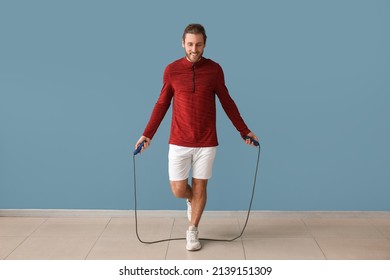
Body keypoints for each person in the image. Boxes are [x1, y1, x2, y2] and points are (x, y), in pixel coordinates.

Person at [135, 23, 258, 251]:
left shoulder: (214, 70)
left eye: (198, 44)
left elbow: (227, 102)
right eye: (190, 44)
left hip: (206, 141)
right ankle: (193, 201)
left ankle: (192, 230)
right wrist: (147, 134)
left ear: (204, 44)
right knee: (179, 190)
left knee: (201, 187)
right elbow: (162, 104)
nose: (194, 49)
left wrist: (244, 130)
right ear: (183, 43)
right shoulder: (171, 70)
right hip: (179, 140)